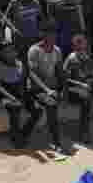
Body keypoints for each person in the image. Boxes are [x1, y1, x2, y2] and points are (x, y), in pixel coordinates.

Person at [0, 41, 38, 148]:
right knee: (15, 110)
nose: (11, 53)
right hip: (6, 94)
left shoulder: (20, 64)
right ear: (1, 54)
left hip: (20, 93)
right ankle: (16, 139)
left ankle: (23, 134)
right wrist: (11, 98)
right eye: (7, 51)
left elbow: (25, 80)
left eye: (12, 50)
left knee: (37, 110)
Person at [26, 22, 66, 151]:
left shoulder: (57, 50)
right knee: (51, 104)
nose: (53, 36)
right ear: (43, 34)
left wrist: (64, 88)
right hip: (36, 88)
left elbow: (60, 71)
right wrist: (47, 90)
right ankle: (56, 141)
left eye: (54, 33)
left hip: (51, 88)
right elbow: (32, 74)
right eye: (49, 33)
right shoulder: (34, 50)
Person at [61, 35, 93, 144]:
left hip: (84, 90)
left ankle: (87, 130)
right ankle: (83, 133)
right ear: (74, 48)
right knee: (86, 101)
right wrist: (80, 84)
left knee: (89, 99)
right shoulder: (70, 59)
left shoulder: (88, 59)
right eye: (78, 48)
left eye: (82, 47)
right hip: (72, 90)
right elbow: (65, 79)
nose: (81, 50)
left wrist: (89, 82)